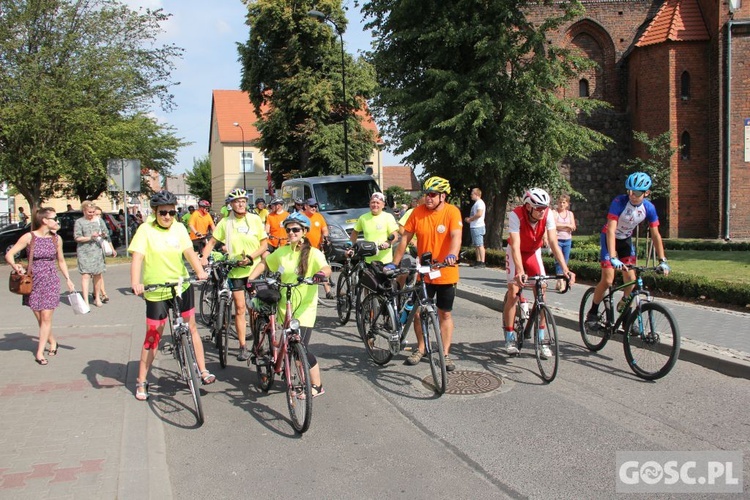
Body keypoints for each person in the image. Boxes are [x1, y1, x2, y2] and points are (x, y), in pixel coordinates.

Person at [129, 190, 213, 401]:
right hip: (156, 290)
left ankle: (202, 370)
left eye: (171, 212)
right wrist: (136, 282)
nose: (167, 216)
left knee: (191, 327)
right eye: (163, 212)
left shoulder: (179, 228)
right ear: (155, 212)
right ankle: (141, 380)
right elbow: (137, 258)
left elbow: (189, 252)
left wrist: (200, 271)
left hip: (180, 286)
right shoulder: (145, 230)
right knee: (153, 336)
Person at [247, 212, 331, 397]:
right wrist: (250, 279)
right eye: (289, 229)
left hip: (305, 307)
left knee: (300, 347)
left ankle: (316, 385)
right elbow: (265, 264)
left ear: (305, 231)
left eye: (296, 229)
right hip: (285, 305)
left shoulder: (313, 253)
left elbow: (326, 268)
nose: (292, 232)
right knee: (285, 342)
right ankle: (276, 360)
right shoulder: (282, 251)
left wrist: (321, 275)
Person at [391, 176, 462, 372]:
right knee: (418, 312)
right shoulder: (417, 213)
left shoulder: (452, 212)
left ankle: (445, 354)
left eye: (432, 195)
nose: (428, 198)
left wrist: (452, 255)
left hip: (446, 271)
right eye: (426, 194)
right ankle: (421, 348)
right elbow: (405, 240)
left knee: (444, 313)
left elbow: (456, 237)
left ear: (443, 196)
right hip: (424, 273)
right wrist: (394, 264)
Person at [585, 172, 670, 328]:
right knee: (608, 279)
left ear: (646, 193)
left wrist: (662, 260)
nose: (632, 195)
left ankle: (626, 318)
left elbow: (656, 235)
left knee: (631, 280)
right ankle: (593, 313)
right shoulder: (619, 202)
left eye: (636, 193)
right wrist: (612, 256)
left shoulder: (649, 208)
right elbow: (611, 229)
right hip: (609, 238)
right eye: (629, 191)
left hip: (625, 240)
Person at [502, 188, 576, 356]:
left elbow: (553, 242)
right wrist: (520, 271)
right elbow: (515, 245)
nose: (543, 211)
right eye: (539, 208)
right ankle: (509, 336)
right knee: (513, 293)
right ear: (528, 207)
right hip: (516, 252)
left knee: (541, 291)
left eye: (545, 207)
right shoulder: (516, 215)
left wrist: (565, 269)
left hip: (533, 252)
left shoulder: (548, 214)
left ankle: (542, 339)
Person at [201, 189, 268, 361]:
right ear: (231, 204)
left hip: (253, 269)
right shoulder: (225, 222)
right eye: (237, 201)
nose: (241, 204)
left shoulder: (254, 219)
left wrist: (251, 257)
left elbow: (264, 245)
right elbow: (213, 242)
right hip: (235, 270)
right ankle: (242, 346)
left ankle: (257, 344)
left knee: (254, 309)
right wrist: (202, 261)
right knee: (240, 308)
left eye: (243, 201)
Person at [6, 208, 76, 365]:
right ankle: (53, 341)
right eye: (54, 218)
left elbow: (61, 260)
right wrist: (15, 265)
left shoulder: (56, 239)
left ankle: (39, 352)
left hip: (51, 279)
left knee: (46, 317)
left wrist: (68, 279)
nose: (57, 221)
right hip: (32, 280)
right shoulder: (29, 237)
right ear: (45, 220)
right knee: (40, 317)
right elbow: (9, 254)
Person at [74, 201, 112, 308]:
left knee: (98, 274)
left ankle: (97, 298)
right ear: (84, 211)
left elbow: (106, 233)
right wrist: (90, 237)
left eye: (93, 212)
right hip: (84, 251)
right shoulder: (79, 222)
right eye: (89, 212)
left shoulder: (99, 220)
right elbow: (77, 237)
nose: (91, 214)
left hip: (97, 250)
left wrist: (102, 234)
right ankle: (86, 300)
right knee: (85, 275)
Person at [350, 192, 399, 264]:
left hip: (385, 260)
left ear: (383, 205)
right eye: (373, 202)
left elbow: (395, 236)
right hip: (368, 260)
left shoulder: (388, 217)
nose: (375, 205)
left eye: (378, 203)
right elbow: (355, 232)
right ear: (369, 204)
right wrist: (352, 247)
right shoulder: (363, 218)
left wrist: (388, 243)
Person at [302, 198, 333, 298]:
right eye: (311, 206)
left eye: (315, 206)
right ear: (306, 206)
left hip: (317, 248)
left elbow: (324, 230)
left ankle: (328, 291)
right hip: (304, 248)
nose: (314, 208)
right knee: (304, 269)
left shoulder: (319, 216)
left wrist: (325, 237)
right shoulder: (301, 216)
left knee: (323, 268)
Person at [552, 194, 577, 291]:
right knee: (559, 260)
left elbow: (573, 226)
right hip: (557, 239)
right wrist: (567, 225)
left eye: (564, 202)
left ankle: (559, 282)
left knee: (565, 260)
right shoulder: (554, 212)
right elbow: (554, 225)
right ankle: (561, 282)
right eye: (560, 202)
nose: (561, 204)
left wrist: (563, 226)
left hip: (567, 240)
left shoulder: (570, 214)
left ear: (567, 204)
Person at [94, 205, 117, 304]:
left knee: (98, 274)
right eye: (96, 214)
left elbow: (107, 238)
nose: (98, 216)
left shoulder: (101, 223)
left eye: (100, 214)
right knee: (95, 274)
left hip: (100, 250)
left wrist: (113, 249)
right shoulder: (87, 223)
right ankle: (100, 293)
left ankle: (101, 293)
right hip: (91, 252)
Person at [464, 187, 486, 267]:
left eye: (472, 194)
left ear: (476, 194)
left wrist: (470, 219)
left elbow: (479, 214)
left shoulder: (480, 203)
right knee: (477, 245)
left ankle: (482, 262)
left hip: (478, 226)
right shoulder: (476, 203)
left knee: (480, 245)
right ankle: (478, 260)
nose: (471, 195)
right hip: (474, 226)